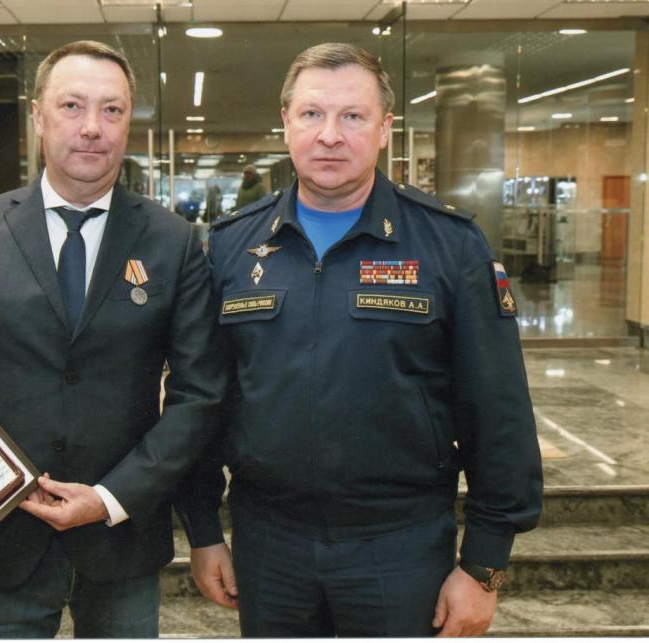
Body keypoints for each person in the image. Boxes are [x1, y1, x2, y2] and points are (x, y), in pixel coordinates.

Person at [188, 42, 543, 637]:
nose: (330, 135)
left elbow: (498, 409)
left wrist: (484, 564)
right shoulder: (232, 246)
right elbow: (205, 398)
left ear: (384, 130)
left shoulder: (449, 245)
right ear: (286, 122)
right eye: (312, 113)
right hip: (268, 544)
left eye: (352, 116)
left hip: (400, 546)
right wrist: (203, 530)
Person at [0, 40, 227, 638]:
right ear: (38, 116)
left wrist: (112, 497)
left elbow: (199, 394)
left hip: (122, 535)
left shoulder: (173, 241)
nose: (92, 127)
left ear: (129, 122)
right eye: (72, 106)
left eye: (112, 110)